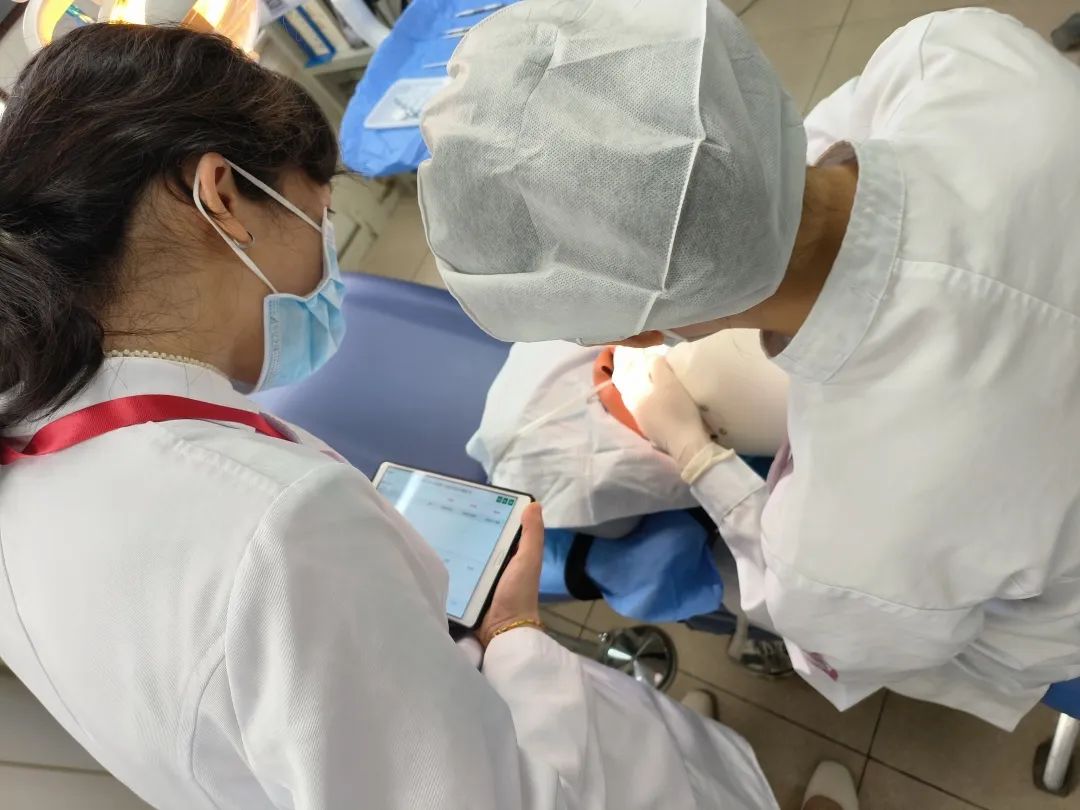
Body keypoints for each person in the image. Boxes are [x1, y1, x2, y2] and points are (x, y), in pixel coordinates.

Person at [0, 21, 868, 810]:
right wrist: (516, 633)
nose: (328, 260)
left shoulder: (39, 455)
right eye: (320, 215)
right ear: (223, 195)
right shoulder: (272, 535)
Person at [418, 0, 1080, 731]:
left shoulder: (846, 540)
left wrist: (695, 453)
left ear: (639, 336)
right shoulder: (954, 53)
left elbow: (848, 632)